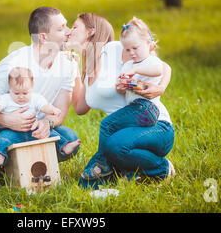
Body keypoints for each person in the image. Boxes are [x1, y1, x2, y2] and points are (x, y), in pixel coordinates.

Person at [0, 7, 80, 182]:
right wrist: (6, 120)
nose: (68, 32)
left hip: (31, 130)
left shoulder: (68, 64)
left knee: (71, 140)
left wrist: (46, 122)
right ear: (43, 37)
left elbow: (59, 112)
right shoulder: (14, 63)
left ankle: (11, 162)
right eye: (61, 28)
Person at [67, 13, 174, 187]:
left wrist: (160, 88)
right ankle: (128, 170)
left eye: (74, 27)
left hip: (153, 124)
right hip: (121, 137)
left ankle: (159, 168)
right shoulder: (89, 70)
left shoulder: (115, 49)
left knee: (112, 147)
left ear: (90, 32)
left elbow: (162, 66)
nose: (69, 32)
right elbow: (80, 108)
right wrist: (72, 70)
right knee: (86, 185)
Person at [0, 66, 81, 166]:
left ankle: (64, 146)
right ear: (10, 88)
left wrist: (53, 110)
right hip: (13, 132)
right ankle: (0, 156)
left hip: (34, 131)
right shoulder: (6, 99)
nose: (21, 96)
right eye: (16, 93)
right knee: (2, 138)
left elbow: (44, 106)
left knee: (51, 133)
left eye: (25, 93)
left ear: (31, 87)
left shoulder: (35, 98)